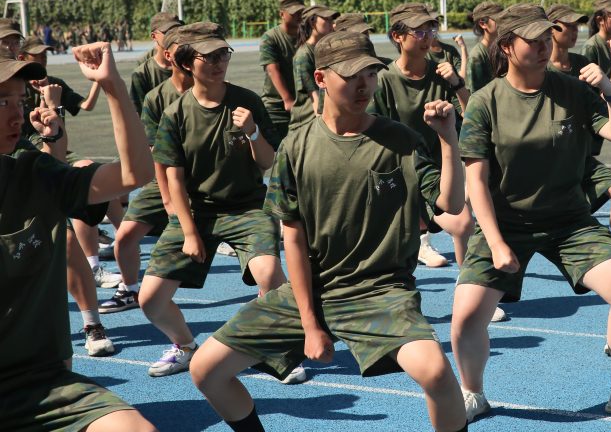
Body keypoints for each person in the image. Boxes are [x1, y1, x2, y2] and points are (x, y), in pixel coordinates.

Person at [189, 31, 469, 432]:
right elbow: (293, 239)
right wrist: (310, 325)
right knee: (206, 370)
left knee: (437, 374)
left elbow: (451, 204)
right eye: (351, 76)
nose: (364, 85)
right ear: (320, 78)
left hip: (381, 292)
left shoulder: (400, 140)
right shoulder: (296, 147)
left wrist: (448, 139)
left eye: (370, 74)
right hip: (312, 290)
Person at [451, 4, 611, 422]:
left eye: (545, 38)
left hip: (569, 220)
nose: (543, 46)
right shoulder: (484, 101)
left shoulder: (572, 89)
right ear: (507, 46)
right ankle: (472, 392)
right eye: (532, 40)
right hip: (507, 223)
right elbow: (475, 181)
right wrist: (496, 243)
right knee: (466, 315)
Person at [0, 43, 158, 432]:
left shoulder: (34, 172)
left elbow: (135, 174)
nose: (16, 114)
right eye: (2, 102)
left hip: (39, 383)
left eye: (19, 101)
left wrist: (113, 86)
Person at [139, 23, 298, 381]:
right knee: (150, 299)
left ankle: (274, 347)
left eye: (223, 54)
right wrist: (189, 233)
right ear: (186, 62)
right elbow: (174, 179)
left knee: (270, 274)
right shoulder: (175, 114)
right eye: (208, 56)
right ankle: (185, 346)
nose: (218, 62)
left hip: (247, 207)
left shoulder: (247, 101)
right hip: (197, 211)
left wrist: (252, 131)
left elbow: (267, 162)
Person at [371, 3, 473, 269]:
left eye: (430, 31)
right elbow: (371, 133)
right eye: (418, 32)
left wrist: (457, 84)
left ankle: (469, 287)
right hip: (400, 174)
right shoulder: (384, 80)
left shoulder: (442, 73)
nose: (427, 38)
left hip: (438, 171)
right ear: (397, 36)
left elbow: (471, 118)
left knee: (463, 224)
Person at [99, 28, 193, 313]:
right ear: (169, 55)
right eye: (183, 51)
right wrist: (167, 198)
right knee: (125, 237)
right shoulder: (156, 97)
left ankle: (269, 295)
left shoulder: (214, 91)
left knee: (251, 246)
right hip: (166, 177)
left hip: (208, 179)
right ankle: (130, 289)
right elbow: (156, 152)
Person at [545, 3, 611, 250]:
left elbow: (599, 104)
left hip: (580, 154)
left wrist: (610, 78)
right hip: (548, 161)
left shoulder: (581, 63)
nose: (575, 31)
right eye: (568, 26)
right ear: (551, 29)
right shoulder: (540, 69)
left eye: (577, 26)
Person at [259, 0, 306, 139]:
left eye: (301, 12)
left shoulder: (307, 35)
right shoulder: (271, 37)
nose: (299, 15)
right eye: (294, 13)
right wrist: (287, 99)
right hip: (277, 105)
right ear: (282, 14)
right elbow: (272, 70)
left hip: (303, 102)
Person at [290, 4, 339, 130]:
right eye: (326, 19)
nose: (331, 23)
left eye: (331, 20)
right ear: (312, 23)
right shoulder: (303, 55)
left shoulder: (324, 49)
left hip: (324, 118)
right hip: (307, 123)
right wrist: (324, 127)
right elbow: (314, 96)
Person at [130, 12, 183, 115]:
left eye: (177, 31)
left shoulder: (189, 64)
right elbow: (139, 112)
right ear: (154, 36)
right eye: (167, 32)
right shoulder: (143, 72)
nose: (174, 36)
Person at [465, 1, 503, 93]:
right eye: (497, 19)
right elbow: (476, 94)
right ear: (483, 24)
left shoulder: (503, 48)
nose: (502, 22)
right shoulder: (477, 57)